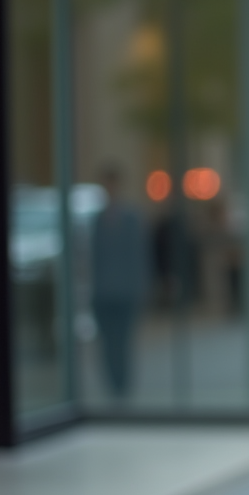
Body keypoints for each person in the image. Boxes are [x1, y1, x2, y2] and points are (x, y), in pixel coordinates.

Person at [91, 167, 149, 398]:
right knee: (107, 343)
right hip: (104, 292)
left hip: (126, 292)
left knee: (123, 342)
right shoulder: (98, 219)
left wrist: (142, 288)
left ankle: (122, 386)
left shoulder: (131, 217)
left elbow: (139, 256)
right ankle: (113, 385)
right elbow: (94, 258)